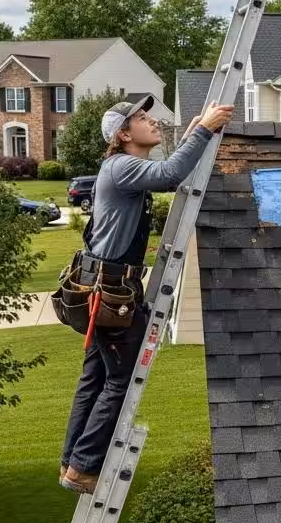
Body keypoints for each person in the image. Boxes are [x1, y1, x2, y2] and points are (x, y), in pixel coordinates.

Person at [59, 94, 234, 494]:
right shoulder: (121, 167)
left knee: (95, 376)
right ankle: (84, 466)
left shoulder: (121, 166)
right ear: (123, 135)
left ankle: (72, 463)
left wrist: (195, 132)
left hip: (100, 285)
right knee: (120, 377)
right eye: (142, 118)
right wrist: (205, 128)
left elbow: (167, 172)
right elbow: (171, 172)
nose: (152, 122)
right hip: (112, 293)